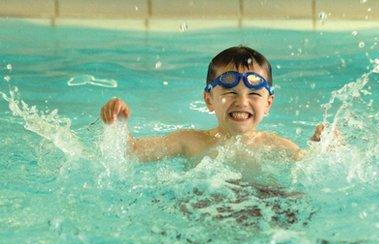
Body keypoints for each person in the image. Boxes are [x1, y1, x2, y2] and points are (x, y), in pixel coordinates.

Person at [100, 46, 325, 163]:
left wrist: (324, 147)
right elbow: (130, 153)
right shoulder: (190, 141)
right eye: (230, 91)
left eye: (254, 94)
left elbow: (311, 166)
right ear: (209, 100)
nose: (242, 101)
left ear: (268, 103)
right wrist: (117, 124)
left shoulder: (276, 145)